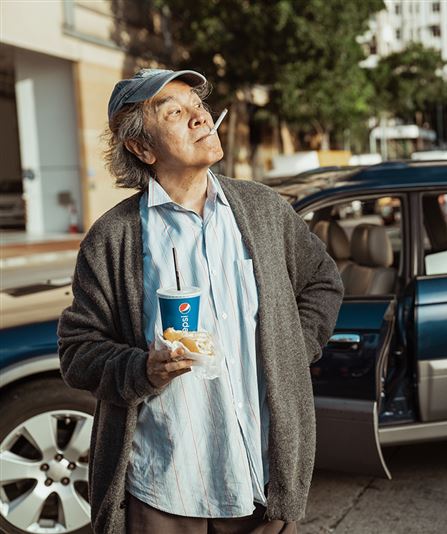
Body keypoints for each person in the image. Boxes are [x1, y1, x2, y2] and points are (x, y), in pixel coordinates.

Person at [58, 68, 344, 534]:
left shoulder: (263, 209)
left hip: (263, 481)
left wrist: (293, 349)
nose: (200, 118)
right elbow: (77, 352)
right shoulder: (113, 237)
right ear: (142, 147)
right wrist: (142, 369)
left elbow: (322, 282)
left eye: (200, 106)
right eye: (175, 112)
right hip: (165, 487)